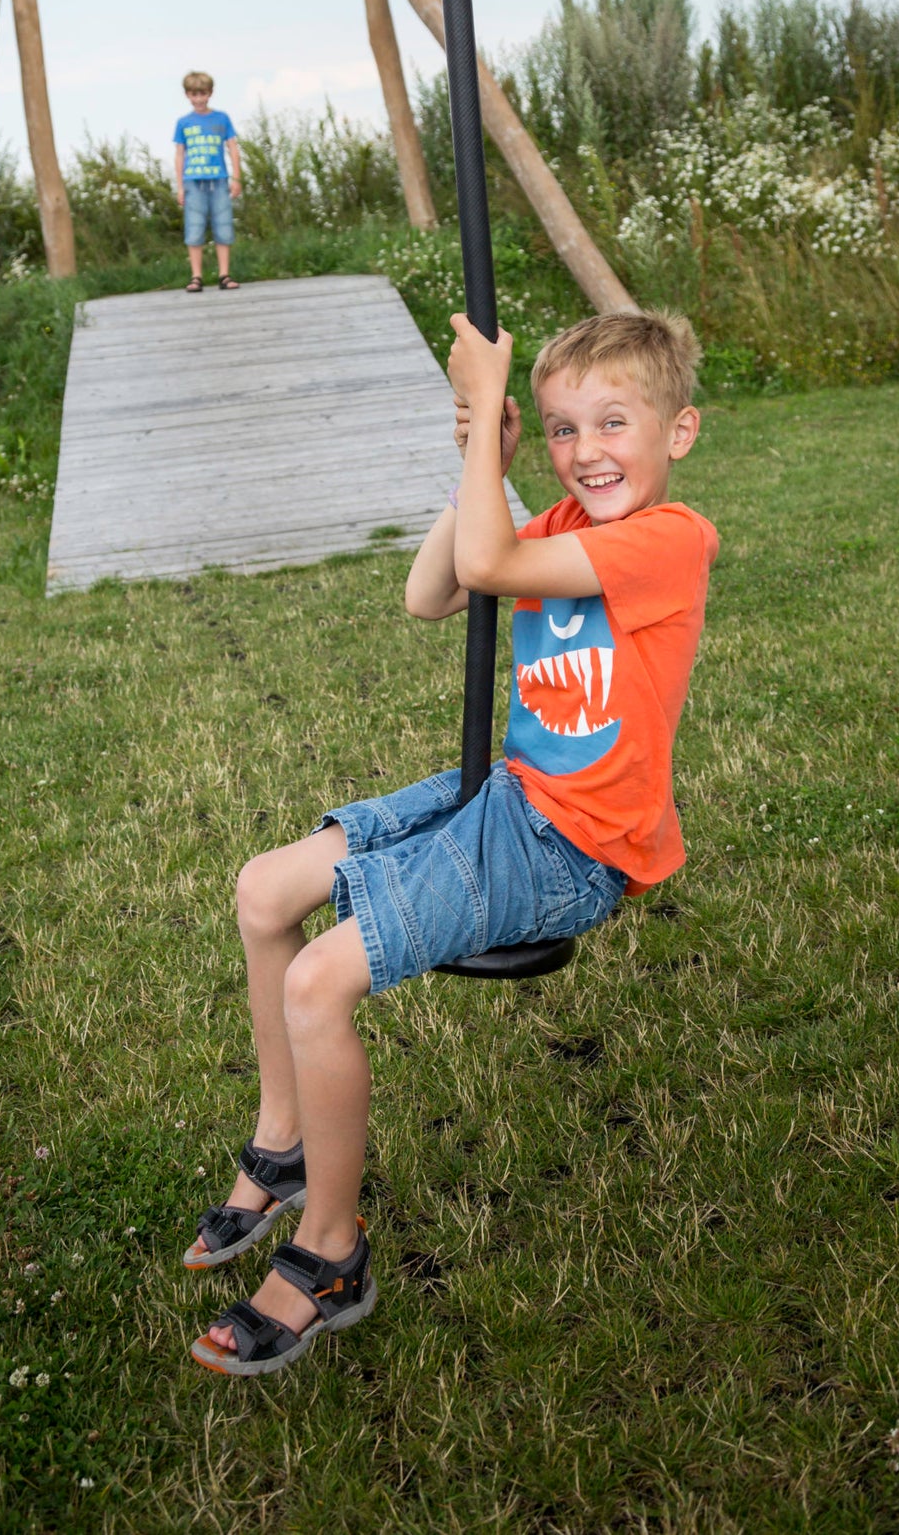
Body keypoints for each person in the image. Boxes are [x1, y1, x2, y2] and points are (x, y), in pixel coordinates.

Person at [185, 308, 718, 1377]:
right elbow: (432, 591)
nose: (586, 449)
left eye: (614, 421)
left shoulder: (670, 540)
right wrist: (490, 455)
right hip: (509, 794)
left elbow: (487, 556)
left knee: (318, 984)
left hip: (571, 847)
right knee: (262, 890)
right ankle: (283, 1141)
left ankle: (329, 1255)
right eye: (562, 427)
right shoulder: (562, 515)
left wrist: (484, 445)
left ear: (680, 432)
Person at [173, 71, 242, 292]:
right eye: (194, 95)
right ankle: (196, 276)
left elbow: (232, 147)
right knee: (194, 229)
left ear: (210, 94)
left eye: (203, 94)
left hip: (219, 181)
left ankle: (224, 274)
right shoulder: (183, 123)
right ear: (187, 95)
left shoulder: (222, 119)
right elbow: (179, 154)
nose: (199, 99)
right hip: (193, 182)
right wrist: (180, 186)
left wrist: (237, 177)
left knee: (223, 227)